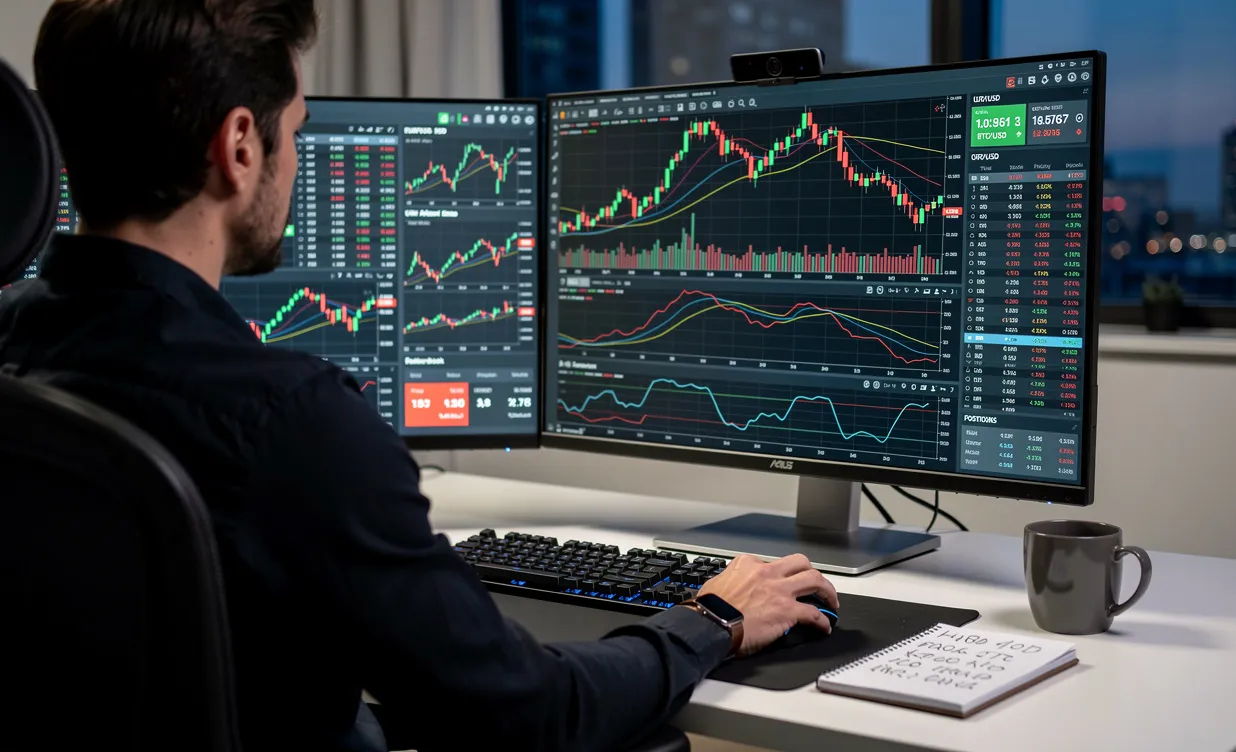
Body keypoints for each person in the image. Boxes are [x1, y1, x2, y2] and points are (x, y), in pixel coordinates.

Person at [0, 2, 839, 751]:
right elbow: (527, 718)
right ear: (241, 145)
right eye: (297, 129)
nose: (296, 160)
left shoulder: (17, 346)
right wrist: (710, 622)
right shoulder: (292, 422)